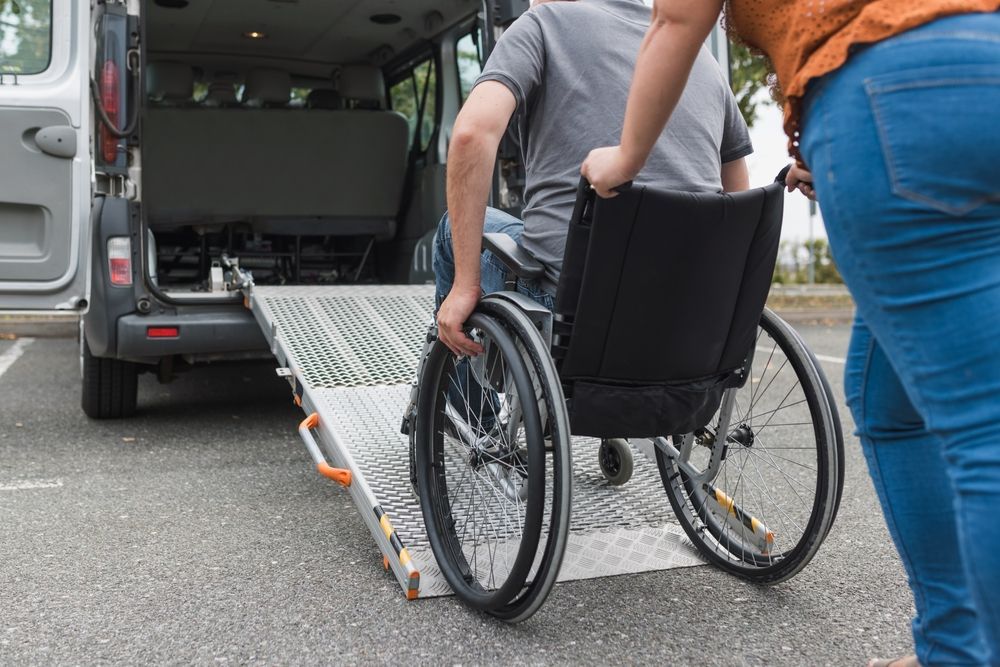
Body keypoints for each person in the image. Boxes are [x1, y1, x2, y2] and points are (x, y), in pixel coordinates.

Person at [581, 2, 1000, 665]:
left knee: (984, 431)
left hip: (894, 90)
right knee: (883, 394)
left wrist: (625, 156)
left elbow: (676, 22)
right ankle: (952, 646)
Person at [433, 0, 753, 358]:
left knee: (450, 231)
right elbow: (738, 196)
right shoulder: (698, 54)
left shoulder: (541, 24)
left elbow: (470, 136)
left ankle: (468, 413)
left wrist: (466, 285)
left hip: (576, 305)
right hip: (691, 309)